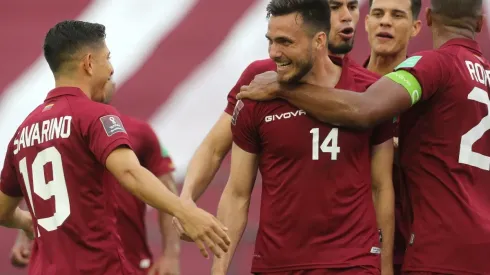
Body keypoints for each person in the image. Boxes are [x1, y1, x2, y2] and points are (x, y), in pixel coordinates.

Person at [237, 0, 490, 274]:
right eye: (378, 14)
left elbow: (364, 109)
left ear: (426, 19)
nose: (385, 22)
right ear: (480, 23)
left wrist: (283, 90)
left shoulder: (432, 64)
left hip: (438, 248)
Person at [175, 0, 394, 273]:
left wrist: (385, 266)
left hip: (351, 262)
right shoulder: (256, 86)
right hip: (276, 264)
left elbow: (382, 187)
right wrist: (186, 201)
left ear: (318, 40)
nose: (346, 17)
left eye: (352, 6)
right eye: (337, 6)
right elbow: (227, 173)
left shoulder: (370, 92)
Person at [0, 20, 230, 275]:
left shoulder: (22, 132)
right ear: (89, 63)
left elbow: (2, 211)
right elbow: (130, 173)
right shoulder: (94, 115)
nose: (111, 69)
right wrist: (185, 212)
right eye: (107, 58)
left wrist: (27, 222)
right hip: (99, 267)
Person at [9, 82, 182, 275]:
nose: (110, 79)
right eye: (106, 68)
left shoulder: (140, 132)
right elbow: (39, 184)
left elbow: (167, 187)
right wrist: (24, 234)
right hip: (69, 262)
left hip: (128, 260)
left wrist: (171, 254)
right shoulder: (54, 131)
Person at [363, 0, 421, 273]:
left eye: (397, 15)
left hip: (413, 251)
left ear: (416, 27)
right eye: (378, 14)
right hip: (350, 251)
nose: (385, 21)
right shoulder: (339, 89)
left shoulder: (428, 98)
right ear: (366, 23)